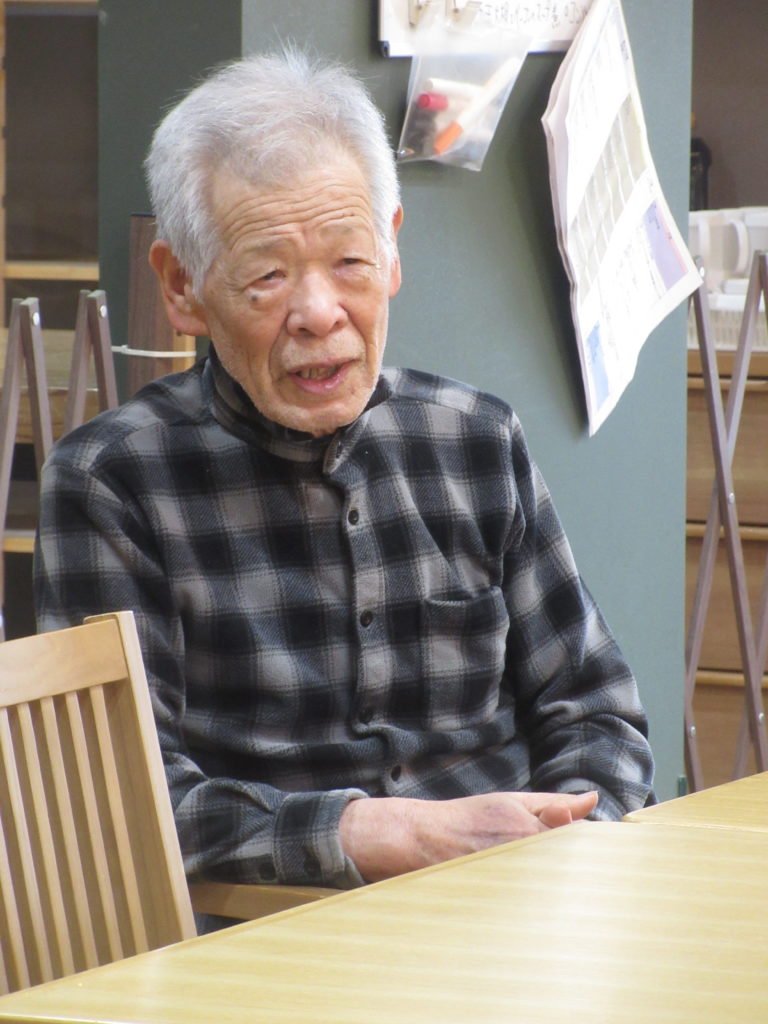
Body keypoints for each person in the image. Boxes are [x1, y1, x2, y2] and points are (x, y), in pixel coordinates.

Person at [34, 50, 654, 896]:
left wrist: (574, 834)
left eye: (350, 262)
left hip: (516, 904)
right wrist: (373, 832)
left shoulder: (476, 439)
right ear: (182, 287)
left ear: (392, 253)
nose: (319, 313)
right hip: (266, 928)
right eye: (267, 275)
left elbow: (596, 711)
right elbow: (116, 796)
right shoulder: (113, 483)